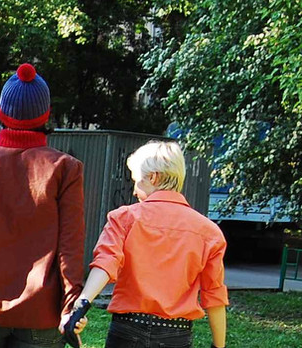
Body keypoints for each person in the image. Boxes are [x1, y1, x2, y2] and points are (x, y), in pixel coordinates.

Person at [0, 63, 86, 348]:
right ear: (45, 114)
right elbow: (70, 246)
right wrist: (70, 306)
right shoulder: (65, 168)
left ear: (1, 112)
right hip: (42, 313)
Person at [64, 140, 228, 348]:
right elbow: (214, 295)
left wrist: (82, 303)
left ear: (153, 177)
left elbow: (106, 262)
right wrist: (219, 346)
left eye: (136, 181)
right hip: (175, 335)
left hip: (127, 330)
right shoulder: (209, 232)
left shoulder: (124, 218)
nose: (134, 191)